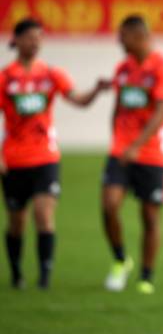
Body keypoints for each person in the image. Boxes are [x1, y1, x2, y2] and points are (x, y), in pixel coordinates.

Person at [0, 18, 109, 289]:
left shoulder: (51, 74)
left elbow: (78, 100)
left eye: (39, 37)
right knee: (16, 222)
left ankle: (45, 278)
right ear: (18, 40)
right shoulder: (5, 78)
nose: (36, 42)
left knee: (44, 216)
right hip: (13, 159)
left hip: (45, 157)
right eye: (30, 37)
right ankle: (16, 274)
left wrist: (95, 90)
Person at [101, 15, 163, 295]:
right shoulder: (123, 69)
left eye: (122, 35)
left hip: (153, 153)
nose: (118, 41)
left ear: (137, 36)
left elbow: (162, 111)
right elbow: (119, 106)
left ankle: (146, 276)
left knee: (149, 216)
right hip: (121, 151)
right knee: (109, 205)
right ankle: (121, 259)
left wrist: (137, 144)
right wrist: (118, 141)